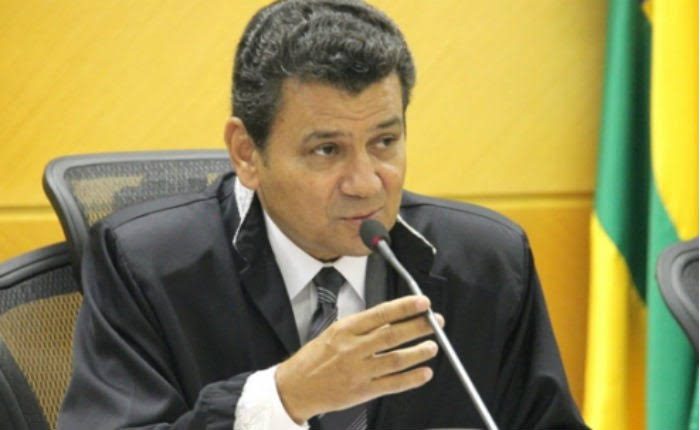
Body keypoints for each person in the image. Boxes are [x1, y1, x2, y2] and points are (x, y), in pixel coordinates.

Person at [58, 0, 588, 429]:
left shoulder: (487, 261)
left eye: (384, 142)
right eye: (326, 150)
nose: (366, 184)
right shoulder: (146, 264)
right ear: (246, 153)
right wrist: (282, 398)